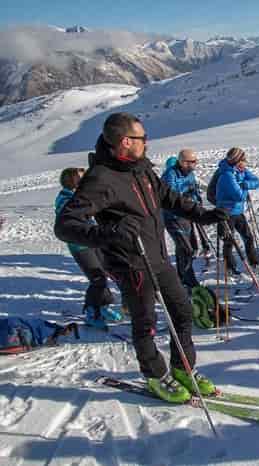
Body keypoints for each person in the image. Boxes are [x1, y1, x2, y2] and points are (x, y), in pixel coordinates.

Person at [55, 112, 228, 403]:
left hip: (158, 258)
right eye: (142, 138)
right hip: (131, 264)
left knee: (183, 312)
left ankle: (183, 368)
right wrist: (111, 232)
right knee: (145, 323)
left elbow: (170, 198)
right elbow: (65, 226)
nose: (147, 142)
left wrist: (206, 215)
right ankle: (155, 375)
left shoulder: (142, 169)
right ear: (125, 142)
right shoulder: (101, 178)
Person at [55, 167, 116, 326]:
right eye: (81, 178)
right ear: (73, 181)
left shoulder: (79, 196)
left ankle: (103, 306)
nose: (85, 180)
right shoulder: (65, 199)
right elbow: (69, 222)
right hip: (80, 244)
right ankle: (91, 311)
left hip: (93, 239)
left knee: (104, 271)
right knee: (97, 277)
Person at [216, 147, 259, 274]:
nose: (245, 163)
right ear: (237, 161)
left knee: (248, 237)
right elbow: (239, 196)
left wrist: (245, 184)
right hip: (226, 213)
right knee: (228, 241)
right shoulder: (227, 175)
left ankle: (255, 263)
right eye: (243, 160)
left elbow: (257, 182)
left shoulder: (241, 171)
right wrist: (244, 187)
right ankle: (229, 266)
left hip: (237, 211)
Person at [161, 150, 204, 292]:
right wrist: (186, 197)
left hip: (186, 216)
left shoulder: (190, 173)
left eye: (195, 161)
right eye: (192, 162)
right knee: (186, 249)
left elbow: (193, 189)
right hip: (172, 217)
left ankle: (181, 279)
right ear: (183, 162)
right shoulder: (170, 175)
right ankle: (190, 282)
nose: (194, 165)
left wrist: (196, 199)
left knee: (184, 249)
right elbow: (170, 196)